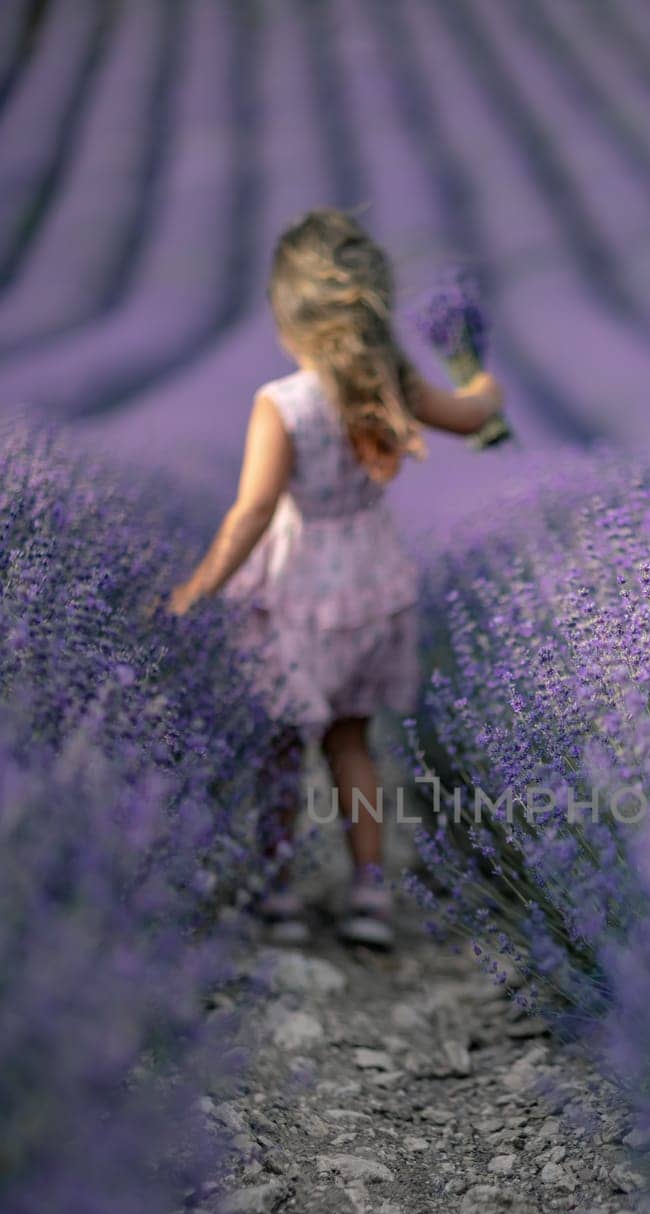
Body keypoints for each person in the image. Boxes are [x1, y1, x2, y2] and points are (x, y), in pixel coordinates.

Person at [167, 208, 504, 949]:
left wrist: (201, 585)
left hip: (297, 590)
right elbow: (474, 413)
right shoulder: (393, 387)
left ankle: (280, 891)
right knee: (353, 745)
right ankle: (370, 893)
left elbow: (254, 509)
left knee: (284, 743)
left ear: (289, 318)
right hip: (372, 584)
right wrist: (482, 378)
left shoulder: (280, 405)